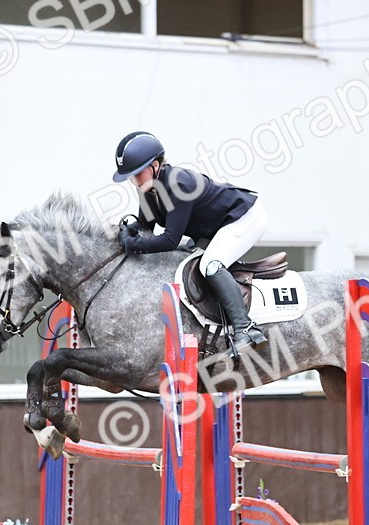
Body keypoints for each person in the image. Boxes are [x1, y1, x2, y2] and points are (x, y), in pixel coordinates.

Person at [112, 130, 268, 356]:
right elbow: (146, 226)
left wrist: (134, 243)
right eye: (131, 176)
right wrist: (127, 230)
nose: (134, 180)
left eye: (137, 173)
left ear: (155, 165)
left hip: (244, 218)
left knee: (211, 265)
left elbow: (170, 239)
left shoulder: (179, 185)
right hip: (216, 226)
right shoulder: (148, 187)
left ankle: (245, 328)